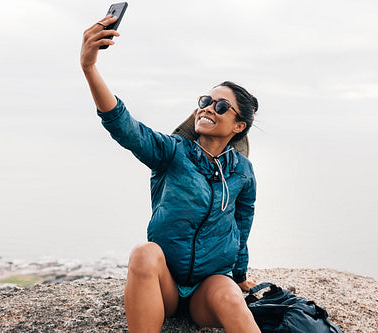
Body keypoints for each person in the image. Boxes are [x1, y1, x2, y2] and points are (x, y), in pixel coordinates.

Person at [81, 14, 260, 333]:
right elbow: (125, 127)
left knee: (232, 297)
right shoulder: (172, 151)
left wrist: (242, 276)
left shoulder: (243, 171)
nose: (207, 108)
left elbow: (241, 228)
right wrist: (90, 67)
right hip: (165, 288)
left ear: (238, 126)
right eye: (206, 101)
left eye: (220, 106)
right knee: (144, 253)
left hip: (209, 289)